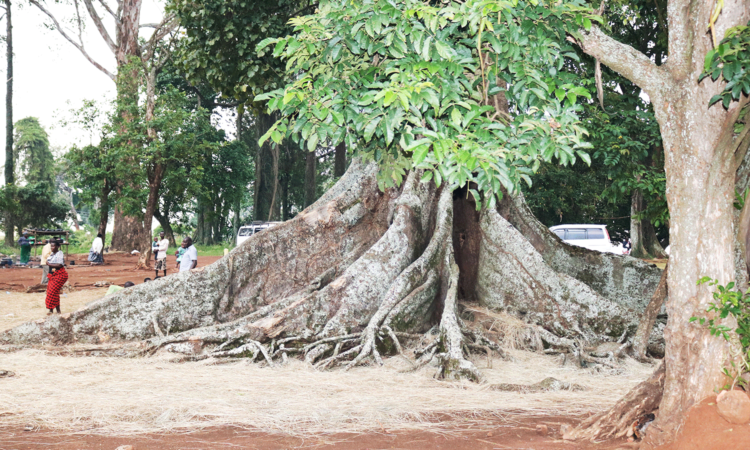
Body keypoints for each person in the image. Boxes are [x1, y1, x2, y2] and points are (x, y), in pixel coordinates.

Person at [45, 240, 68, 315]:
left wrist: (49, 264)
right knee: (50, 291)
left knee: (53, 291)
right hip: (52, 276)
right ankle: (52, 310)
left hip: (60, 275)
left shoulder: (59, 254)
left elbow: (59, 265)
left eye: (54, 246)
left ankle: (57, 310)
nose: (52, 247)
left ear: (58, 246)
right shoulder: (52, 254)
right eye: (51, 246)